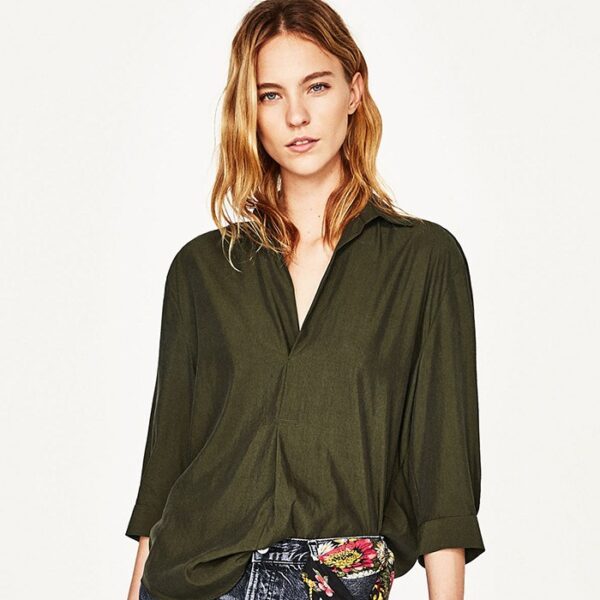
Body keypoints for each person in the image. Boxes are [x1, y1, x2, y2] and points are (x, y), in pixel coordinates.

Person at [125, 1, 485, 600]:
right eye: (270, 95)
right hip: (195, 580)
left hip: (336, 579)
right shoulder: (200, 271)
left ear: (354, 91)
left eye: (316, 86)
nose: (296, 115)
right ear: (250, 112)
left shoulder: (424, 261)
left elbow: (442, 477)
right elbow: (164, 476)